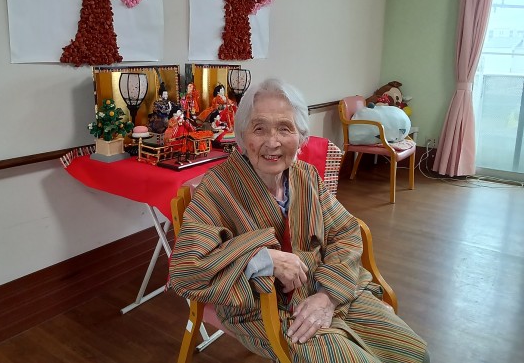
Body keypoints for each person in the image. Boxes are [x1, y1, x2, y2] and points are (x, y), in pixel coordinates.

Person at [169, 78, 429, 363]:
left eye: (285, 128)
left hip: (327, 286)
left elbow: (345, 231)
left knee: (415, 354)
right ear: (242, 136)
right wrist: (261, 259)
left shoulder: (306, 176)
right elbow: (186, 271)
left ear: (301, 136)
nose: (272, 142)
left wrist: (328, 296)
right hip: (264, 309)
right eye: (259, 128)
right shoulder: (217, 189)